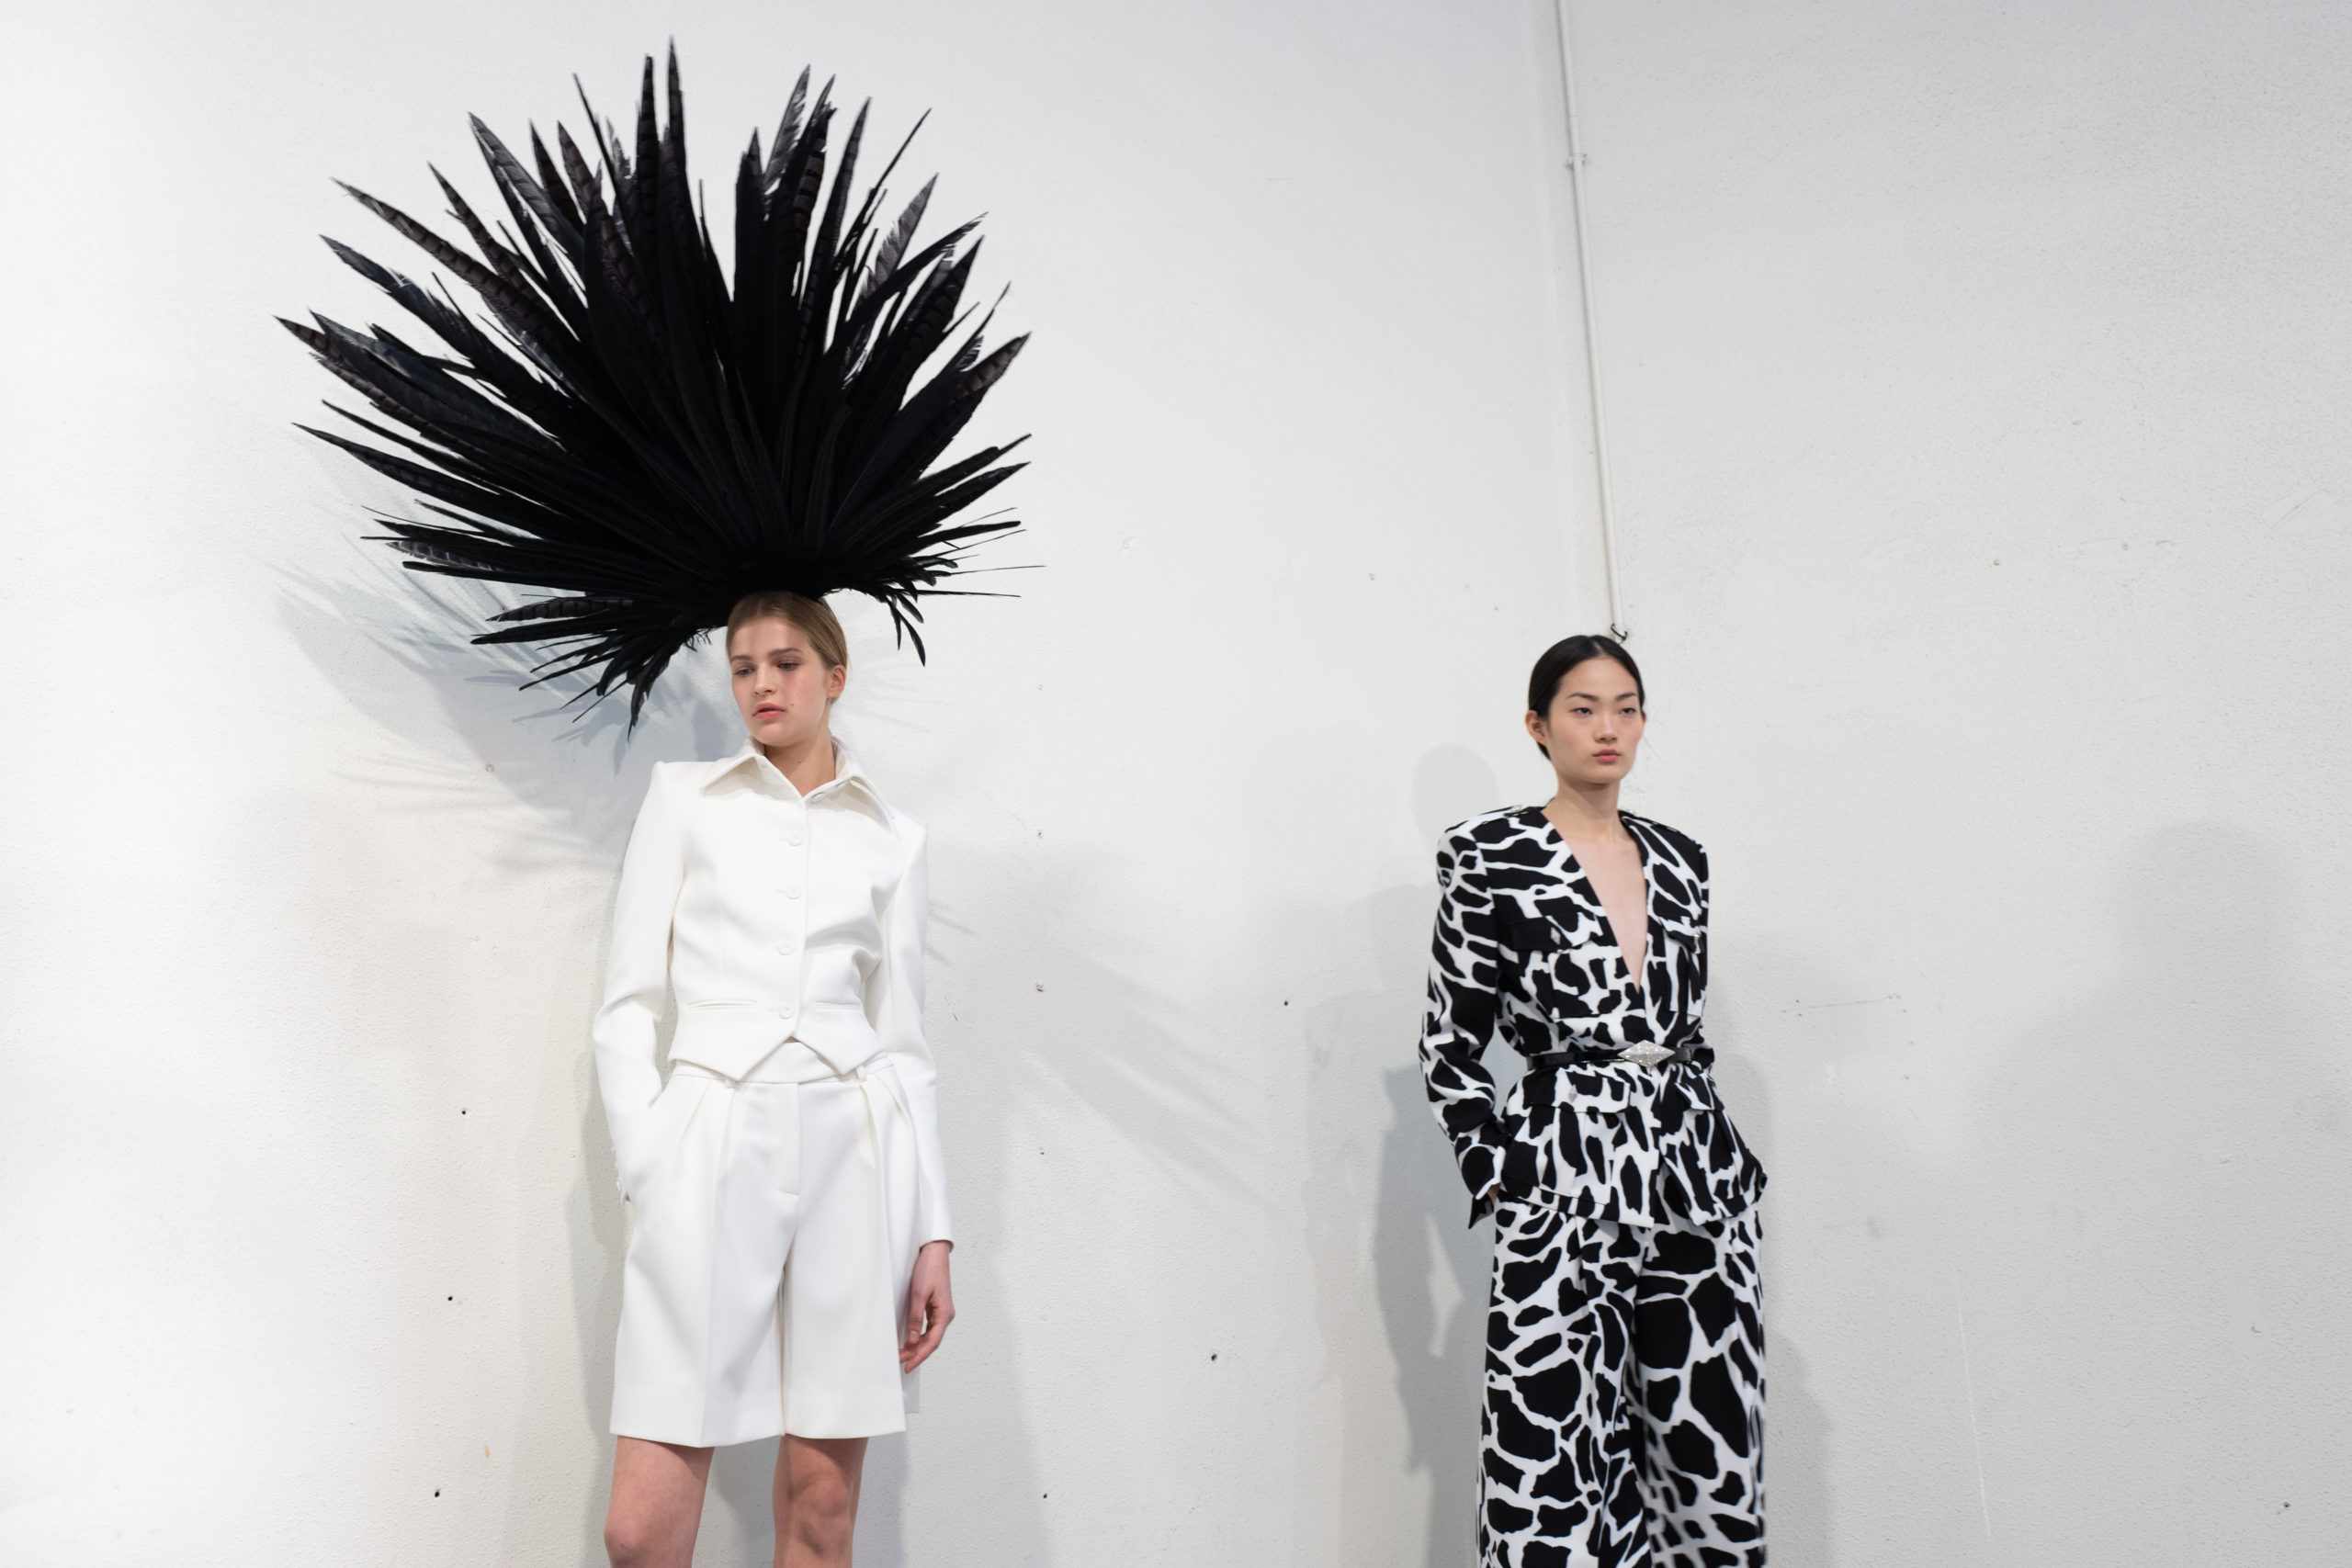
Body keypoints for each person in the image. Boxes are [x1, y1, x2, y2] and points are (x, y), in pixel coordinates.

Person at [595, 592, 955, 1568]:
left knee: (822, 1511)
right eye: (744, 666)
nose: (761, 683)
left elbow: (905, 1043)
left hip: (855, 1155)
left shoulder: (894, 836)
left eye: (786, 663)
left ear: (834, 677)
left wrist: (932, 1228)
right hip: (708, 1142)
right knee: (638, 1533)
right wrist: (649, 1159)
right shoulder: (685, 801)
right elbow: (627, 1006)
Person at [1418, 634, 1769, 1568]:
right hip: (1563, 1167)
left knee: (1708, 1438)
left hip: (1693, 1174)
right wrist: (1499, 1172)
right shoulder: (1487, 854)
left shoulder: (1683, 859)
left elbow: (1681, 1023)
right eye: (1582, 708)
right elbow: (1451, 1044)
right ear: (1538, 726)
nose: (1607, 727)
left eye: (1625, 708)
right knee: (1556, 1441)